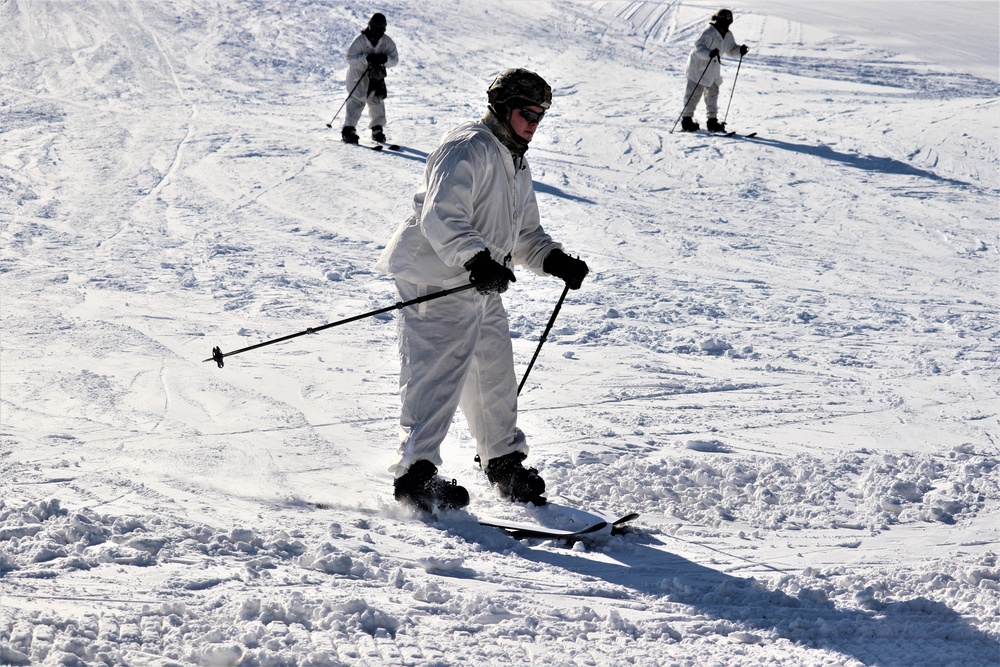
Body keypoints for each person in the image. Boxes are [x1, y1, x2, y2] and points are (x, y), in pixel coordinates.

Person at [374, 68, 590, 512]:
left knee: (493, 368)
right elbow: (441, 215)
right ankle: (415, 474)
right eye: (527, 112)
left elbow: (523, 233)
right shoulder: (468, 147)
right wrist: (476, 258)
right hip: (438, 275)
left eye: (541, 115)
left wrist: (553, 259)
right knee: (437, 371)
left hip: (479, 281)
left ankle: (503, 461)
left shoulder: (515, 161)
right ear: (502, 106)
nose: (534, 122)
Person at [680, 8, 749, 132]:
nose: (726, 25)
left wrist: (740, 51)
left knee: (713, 94)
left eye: (728, 22)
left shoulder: (727, 34)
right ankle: (687, 120)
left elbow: (731, 49)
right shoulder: (708, 32)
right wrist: (709, 53)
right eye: (724, 21)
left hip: (713, 69)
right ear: (717, 20)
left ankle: (712, 121)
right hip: (698, 68)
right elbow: (698, 48)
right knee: (694, 94)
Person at [342, 13, 398, 144]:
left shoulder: (387, 42)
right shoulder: (360, 40)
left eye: (380, 30)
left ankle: (377, 129)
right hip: (358, 77)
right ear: (370, 27)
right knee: (356, 100)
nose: (377, 33)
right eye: (375, 29)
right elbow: (350, 58)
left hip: (376, 77)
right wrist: (365, 59)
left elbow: (394, 60)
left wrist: (385, 59)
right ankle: (348, 129)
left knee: (376, 100)